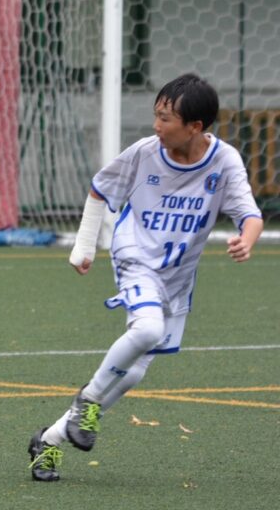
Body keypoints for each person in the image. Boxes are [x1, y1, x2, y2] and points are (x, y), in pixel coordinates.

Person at [28, 74, 263, 482]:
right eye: (156, 115)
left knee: (135, 370)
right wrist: (84, 246)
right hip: (135, 255)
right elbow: (100, 190)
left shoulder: (224, 161)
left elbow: (250, 214)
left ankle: (49, 439)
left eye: (166, 118)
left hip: (178, 275)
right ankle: (87, 400)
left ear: (195, 126)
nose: (156, 125)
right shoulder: (143, 153)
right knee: (148, 329)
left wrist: (247, 239)